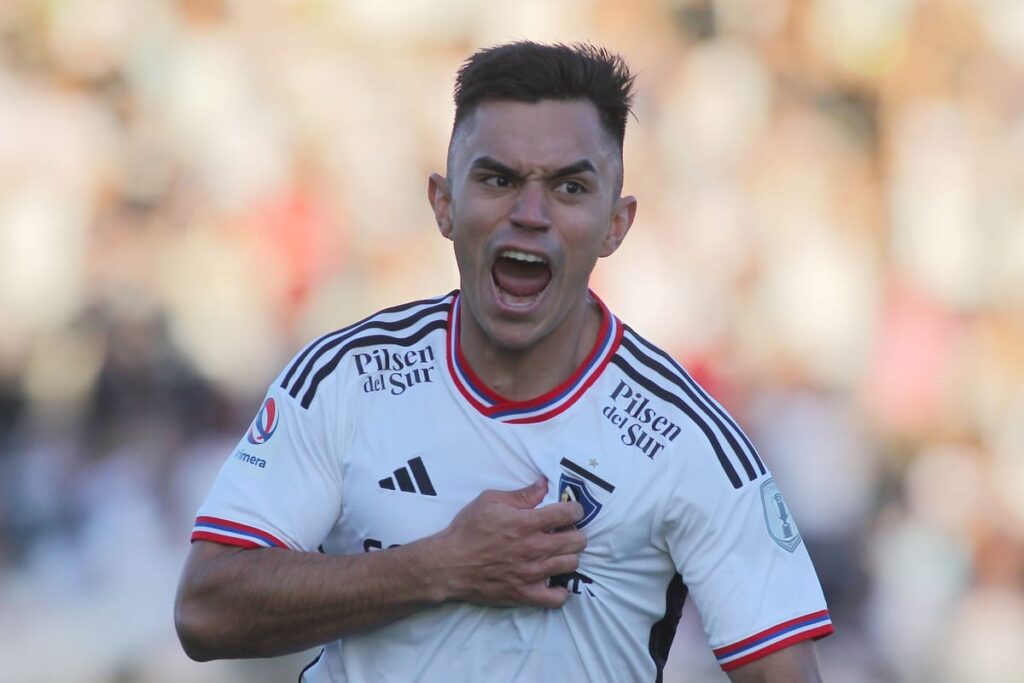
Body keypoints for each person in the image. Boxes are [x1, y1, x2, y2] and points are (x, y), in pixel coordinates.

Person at [174, 41, 832, 682]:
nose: (530, 214)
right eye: (498, 179)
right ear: (444, 203)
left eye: (570, 187)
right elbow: (206, 607)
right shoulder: (346, 378)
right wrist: (441, 567)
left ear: (616, 224)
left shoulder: (684, 435)